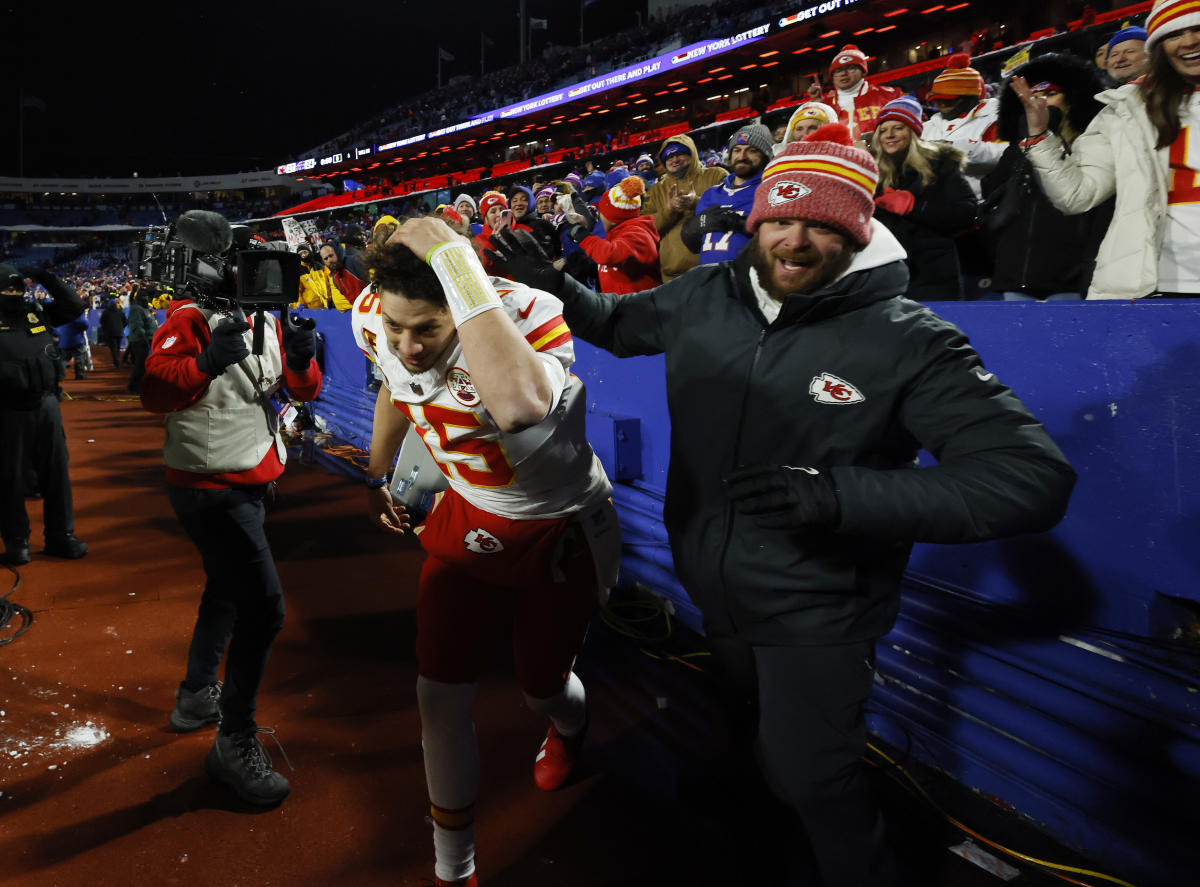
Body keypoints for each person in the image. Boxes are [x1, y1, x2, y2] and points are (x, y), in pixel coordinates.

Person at [486, 127, 1076, 887]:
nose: (795, 241)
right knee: (744, 732)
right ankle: (754, 834)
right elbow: (614, 324)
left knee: (812, 777)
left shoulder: (909, 339)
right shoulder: (707, 292)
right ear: (756, 218)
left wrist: (837, 495)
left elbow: (1032, 476)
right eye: (781, 218)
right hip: (716, 580)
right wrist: (560, 285)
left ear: (859, 230)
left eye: (823, 224)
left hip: (819, 607)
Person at [355, 218, 619, 887]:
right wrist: (380, 467)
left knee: (543, 686)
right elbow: (393, 376)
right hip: (468, 515)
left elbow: (520, 405)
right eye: (396, 327)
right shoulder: (376, 314)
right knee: (437, 695)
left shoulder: (525, 316)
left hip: (555, 527)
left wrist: (454, 258)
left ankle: (570, 729)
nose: (408, 345)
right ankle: (454, 869)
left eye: (429, 330)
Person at [139, 224, 323, 805]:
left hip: (247, 474)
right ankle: (233, 739)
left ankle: (197, 693)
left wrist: (299, 361)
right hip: (209, 485)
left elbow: (300, 392)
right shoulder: (189, 318)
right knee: (264, 609)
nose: (264, 276)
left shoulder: (265, 316)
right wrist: (206, 364)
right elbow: (154, 392)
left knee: (226, 590)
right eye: (251, 264)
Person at [1013, 0, 1200, 298]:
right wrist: (1039, 136)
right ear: (1160, 46)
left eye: (1198, 29)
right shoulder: (1125, 109)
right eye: (1175, 33)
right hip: (1155, 285)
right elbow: (1077, 195)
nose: (1190, 41)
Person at [983, 53, 1114, 300]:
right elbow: (995, 199)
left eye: (1049, 94)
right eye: (1032, 97)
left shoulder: (1094, 144)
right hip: (1016, 278)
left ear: (1074, 99)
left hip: (1071, 280)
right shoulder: (1016, 149)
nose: (1039, 102)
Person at [0, 264, 89, 566]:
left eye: (17, 287)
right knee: (9, 478)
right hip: (7, 410)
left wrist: (46, 277)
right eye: (7, 288)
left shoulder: (36, 313)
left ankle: (60, 536)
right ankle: (16, 542)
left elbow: (75, 306)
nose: (13, 293)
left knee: (56, 473)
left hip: (46, 404)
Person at [870, 97, 978, 300]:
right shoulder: (872, 172)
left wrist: (915, 207)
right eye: (883, 130)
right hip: (888, 276)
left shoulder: (940, 165)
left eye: (898, 128)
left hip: (934, 276)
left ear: (913, 132)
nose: (889, 135)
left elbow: (967, 213)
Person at [681, 123, 773, 265]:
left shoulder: (770, 190)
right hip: (712, 279)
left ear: (765, 156)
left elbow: (780, 236)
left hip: (751, 279)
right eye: (736, 150)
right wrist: (693, 227)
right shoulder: (711, 193)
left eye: (752, 151)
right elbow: (693, 246)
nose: (741, 156)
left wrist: (740, 223)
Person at [642, 134, 727, 281]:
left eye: (679, 154)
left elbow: (732, 210)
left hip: (714, 269)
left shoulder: (716, 175)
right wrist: (669, 210)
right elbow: (645, 230)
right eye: (669, 157)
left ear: (692, 153)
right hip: (674, 276)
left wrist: (697, 203)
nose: (674, 160)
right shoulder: (656, 190)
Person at [921, 53, 1005, 197]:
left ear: (970, 98)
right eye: (936, 99)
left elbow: (1005, 154)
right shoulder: (927, 127)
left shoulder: (994, 117)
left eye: (948, 100)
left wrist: (959, 148)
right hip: (938, 206)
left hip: (982, 202)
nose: (940, 104)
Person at [563, 175, 661, 293]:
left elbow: (611, 254)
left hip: (640, 307)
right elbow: (620, 266)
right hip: (624, 305)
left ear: (613, 217)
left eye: (602, 212)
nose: (599, 216)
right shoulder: (618, 233)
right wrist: (592, 267)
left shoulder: (639, 233)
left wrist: (584, 238)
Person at [824, 44, 902, 138]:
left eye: (850, 68)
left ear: (863, 71)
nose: (843, 73)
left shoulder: (890, 96)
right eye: (838, 70)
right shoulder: (824, 107)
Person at [774, 101, 839, 154]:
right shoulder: (781, 164)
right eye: (799, 129)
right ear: (792, 133)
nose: (805, 134)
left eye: (812, 128)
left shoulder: (840, 160)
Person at [126, 289, 158, 394]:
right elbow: (137, 325)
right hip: (140, 340)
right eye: (144, 296)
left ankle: (139, 386)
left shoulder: (145, 309)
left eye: (147, 296)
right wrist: (143, 338)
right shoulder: (136, 309)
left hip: (147, 340)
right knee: (141, 364)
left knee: (144, 364)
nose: (146, 298)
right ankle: (134, 387)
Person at [320, 242, 365, 310]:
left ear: (338, 253)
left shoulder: (354, 261)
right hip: (361, 312)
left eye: (331, 256)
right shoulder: (335, 278)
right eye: (325, 259)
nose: (329, 260)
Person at [99, 297, 126, 367]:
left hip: (110, 332)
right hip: (119, 332)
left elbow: (102, 322)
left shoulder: (106, 312)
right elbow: (125, 322)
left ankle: (116, 362)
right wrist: (121, 327)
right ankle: (116, 361)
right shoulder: (120, 311)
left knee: (113, 348)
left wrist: (105, 329)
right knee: (117, 348)